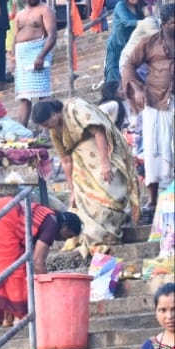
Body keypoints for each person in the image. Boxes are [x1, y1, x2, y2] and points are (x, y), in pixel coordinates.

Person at [31, 97, 141, 245]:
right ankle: (99, 235)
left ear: (54, 114)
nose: (47, 128)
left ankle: (109, 231)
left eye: (46, 123)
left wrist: (105, 163)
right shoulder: (54, 132)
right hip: (81, 165)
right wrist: (72, 190)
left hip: (101, 152)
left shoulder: (76, 108)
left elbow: (99, 132)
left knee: (110, 194)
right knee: (84, 203)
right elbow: (66, 160)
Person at [0, 197, 82, 326]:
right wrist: (50, 293)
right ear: (65, 226)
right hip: (3, 215)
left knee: (8, 267)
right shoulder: (52, 223)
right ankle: (17, 317)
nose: (65, 240)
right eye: (69, 235)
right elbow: (38, 263)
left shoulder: (48, 217)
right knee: (18, 271)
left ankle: (8, 319)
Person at [121, 5, 175, 216]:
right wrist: (136, 88)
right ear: (164, 24)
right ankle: (152, 201)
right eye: (173, 23)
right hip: (156, 103)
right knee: (154, 152)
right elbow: (128, 66)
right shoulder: (149, 43)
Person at [104, 0, 145, 79]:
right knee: (113, 75)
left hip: (129, 46)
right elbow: (126, 22)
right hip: (116, 46)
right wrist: (145, 23)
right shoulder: (120, 6)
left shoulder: (139, 10)